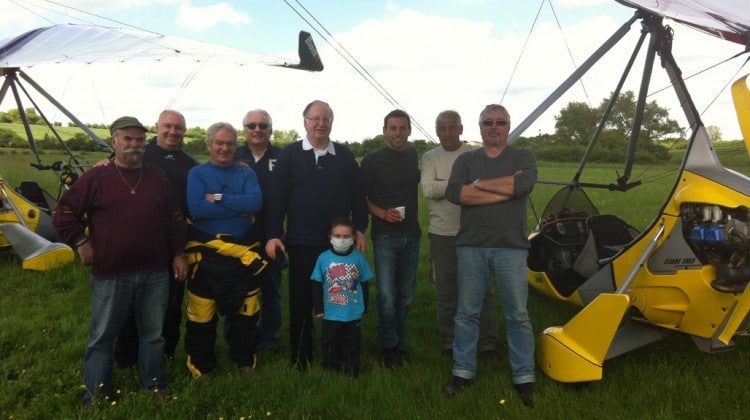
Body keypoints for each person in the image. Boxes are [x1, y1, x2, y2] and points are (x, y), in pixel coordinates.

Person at [52, 116, 188, 406]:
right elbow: (63, 212)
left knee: (153, 336)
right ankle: (96, 395)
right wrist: (81, 241)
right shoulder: (97, 177)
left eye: (139, 139)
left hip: (155, 271)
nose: (134, 145)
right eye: (127, 139)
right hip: (111, 273)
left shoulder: (156, 176)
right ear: (114, 141)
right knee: (102, 337)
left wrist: (178, 254)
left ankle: (154, 386)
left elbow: (175, 217)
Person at [443, 104, 538, 407]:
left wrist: (480, 185)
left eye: (500, 122)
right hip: (472, 247)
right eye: (487, 122)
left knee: (518, 315)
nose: (493, 127)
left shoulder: (524, 157)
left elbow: (523, 184)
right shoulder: (467, 159)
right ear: (480, 126)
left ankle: (524, 375)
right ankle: (462, 371)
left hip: (511, 247)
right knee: (466, 313)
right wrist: (506, 189)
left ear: (508, 126)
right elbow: (456, 193)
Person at [265, 99, 368, 370]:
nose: (321, 123)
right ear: (305, 122)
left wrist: (360, 229)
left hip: (339, 246)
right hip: (301, 242)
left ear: (332, 122)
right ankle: (301, 358)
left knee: (340, 299)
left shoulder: (344, 156)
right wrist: (274, 234)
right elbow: (277, 198)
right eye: (315, 119)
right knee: (300, 302)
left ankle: (338, 356)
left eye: (326, 118)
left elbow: (358, 196)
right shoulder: (289, 155)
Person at [114, 109, 198, 367]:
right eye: (168, 126)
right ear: (157, 127)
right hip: (137, 241)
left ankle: (167, 353)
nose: (173, 131)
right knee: (132, 302)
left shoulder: (190, 164)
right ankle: (127, 357)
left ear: (184, 131)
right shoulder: (139, 152)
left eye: (179, 127)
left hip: (174, 242)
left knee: (171, 302)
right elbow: (112, 168)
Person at [184, 122, 267, 379]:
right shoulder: (197, 173)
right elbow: (197, 209)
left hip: (244, 251)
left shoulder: (246, 173)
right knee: (202, 314)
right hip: (207, 253)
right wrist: (238, 207)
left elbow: (255, 203)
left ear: (236, 146)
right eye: (219, 143)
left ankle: (245, 361)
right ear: (209, 145)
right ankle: (202, 365)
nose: (224, 148)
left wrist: (219, 198)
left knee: (246, 312)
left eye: (230, 143)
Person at [421, 110, 498, 358]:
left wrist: (450, 184)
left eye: (451, 128)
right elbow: (429, 190)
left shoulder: (474, 154)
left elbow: (484, 188)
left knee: (482, 291)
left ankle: (487, 344)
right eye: (441, 128)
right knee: (447, 291)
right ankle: (450, 341)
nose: (446, 133)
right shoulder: (430, 156)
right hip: (442, 234)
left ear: (461, 129)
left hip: (474, 233)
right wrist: (461, 185)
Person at [360, 109, 421, 368]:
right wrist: (382, 213)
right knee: (386, 294)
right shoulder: (372, 160)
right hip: (384, 236)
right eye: (393, 128)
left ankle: (400, 343)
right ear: (384, 131)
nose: (398, 133)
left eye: (402, 128)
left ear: (409, 130)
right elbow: (361, 198)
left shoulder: (413, 156)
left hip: (412, 235)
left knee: (405, 294)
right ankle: (387, 346)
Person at [234, 109, 284, 351]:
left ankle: (268, 340)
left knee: (271, 290)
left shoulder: (284, 157)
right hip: (239, 236)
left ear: (270, 129)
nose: (257, 130)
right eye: (251, 125)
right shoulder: (232, 155)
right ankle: (238, 337)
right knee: (237, 289)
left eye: (262, 125)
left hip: (272, 234)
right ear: (244, 130)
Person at [311, 217, 374, 378]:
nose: (342, 240)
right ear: (330, 237)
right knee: (329, 341)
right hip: (331, 312)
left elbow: (364, 283)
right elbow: (317, 283)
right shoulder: (323, 258)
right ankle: (332, 368)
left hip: (353, 311)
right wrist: (319, 308)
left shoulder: (358, 258)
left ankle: (352, 369)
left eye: (346, 236)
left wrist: (364, 307)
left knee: (352, 342)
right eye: (337, 236)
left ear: (354, 238)